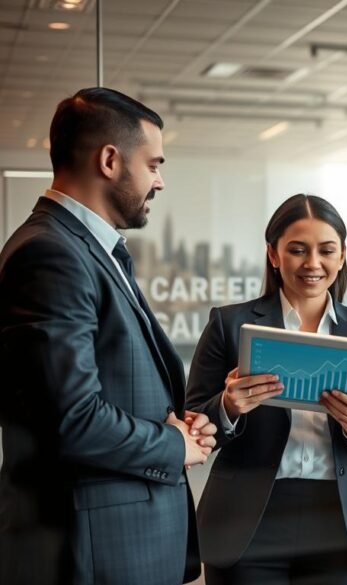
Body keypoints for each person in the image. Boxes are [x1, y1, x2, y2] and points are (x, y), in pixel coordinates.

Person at [0, 87, 215, 585]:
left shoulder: (84, 249)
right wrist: (171, 443)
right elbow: (71, 420)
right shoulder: (51, 254)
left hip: (119, 540)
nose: (159, 181)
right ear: (111, 160)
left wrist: (182, 426)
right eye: (154, 164)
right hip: (93, 549)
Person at [185, 193, 347, 585]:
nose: (312, 263)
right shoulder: (228, 324)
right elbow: (193, 423)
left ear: (343, 255)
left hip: (338, 519)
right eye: (297, 250)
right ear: (273, 254)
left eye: (326, 250)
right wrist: (229, 407)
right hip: (247, 517)